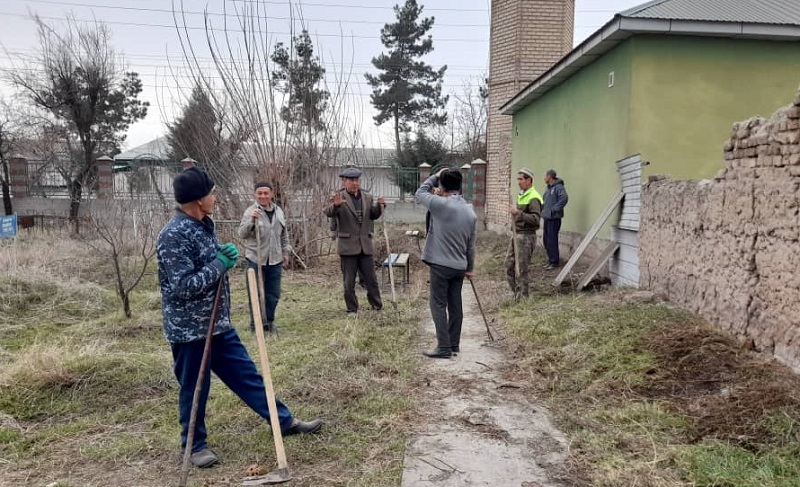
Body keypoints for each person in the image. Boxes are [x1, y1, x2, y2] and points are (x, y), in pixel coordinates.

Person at [157, 167, 322, 469]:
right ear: (197, 199)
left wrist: (218, 253)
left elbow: (203, 264)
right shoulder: (173, 235)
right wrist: (219, 264)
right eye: (212, 193)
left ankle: (283, 421)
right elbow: (182, 286)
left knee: (249, 377)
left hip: (217, 324)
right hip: (191, 330)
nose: (215, 198)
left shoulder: (203, 225)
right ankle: (194, 446)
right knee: (194, 388)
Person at [415, 167, 477, 359]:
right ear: (460, 186)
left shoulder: (440, 205)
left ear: (442, 186)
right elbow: (471, 245)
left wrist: (435, 175)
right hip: (460, 266)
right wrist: (470, 268)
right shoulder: (470, 211)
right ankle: (454, 344)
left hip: (440, 265)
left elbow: (420, 192)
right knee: (455, 304)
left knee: (438, 304)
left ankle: (443, 347)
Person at [323, 167, 385, 314]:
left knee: (371, 279)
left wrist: (380, 206)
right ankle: (352, 309)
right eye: (351, 180)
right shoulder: (338, 197)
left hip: (365, 245)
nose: (355, 183)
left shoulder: (367, 197)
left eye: (357, 180)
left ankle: (376, 306)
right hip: (347, 246)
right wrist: (336, 205)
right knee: (349, 281)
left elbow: (373, 216)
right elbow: (328, 212)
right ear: (344, 181)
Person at [237, 181, 291, 333]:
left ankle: (270, 322)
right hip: (256, 259)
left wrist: (286, 251)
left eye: (266, 193)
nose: (263, 196)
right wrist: (251, 221)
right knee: (256, 294)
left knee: (273, 293)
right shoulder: (250, 211)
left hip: (275, 259)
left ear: (272, 194)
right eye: (259, 193)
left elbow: (283, 234)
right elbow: (242, 234)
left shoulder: (278, 211)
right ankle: (257, 325)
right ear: (255, 195)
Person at [506, 168, 542, 299]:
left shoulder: (533, 197)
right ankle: (516, 294)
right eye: (518, 179)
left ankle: (524, 298)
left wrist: (518, 213)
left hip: (526, 236)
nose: (518, 182)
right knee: (509, 265)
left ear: (529, 180)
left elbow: (535, 219)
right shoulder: (522, 194)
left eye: (521, 179)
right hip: (517, 235)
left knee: (522, 268)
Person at [542, 169, 569, 270]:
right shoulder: (548, 189)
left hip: (554, 219)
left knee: (552, 240)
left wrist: (553, 210)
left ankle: (554, 262)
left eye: (545, 175)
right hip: (547, 218)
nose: (544, 178)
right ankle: (550, 260)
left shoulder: (558, 187)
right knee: (546, 240)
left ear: (550, 176)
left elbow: (564, 198)